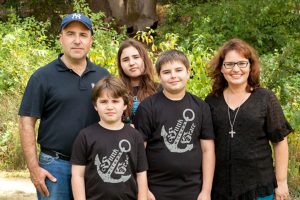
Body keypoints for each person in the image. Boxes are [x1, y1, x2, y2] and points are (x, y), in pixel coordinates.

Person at [18, 13, 110, 199]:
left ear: (91, 40)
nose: (77, 40)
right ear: (61, 38)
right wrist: (34, 168)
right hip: (54, 166)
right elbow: (25, 123)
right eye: (70, 34)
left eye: (83, 35)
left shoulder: (103, 76)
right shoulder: (42, 77)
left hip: (95, 164)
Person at [205, 38, 293, 200]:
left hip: (258, 186)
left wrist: (281, 182)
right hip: (220, 188)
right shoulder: (211, 101)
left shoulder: (265, 98)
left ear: (250, 66)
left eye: (242, 63)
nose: (236, 69)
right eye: (229, 64)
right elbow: (205, 145)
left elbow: (280, 142)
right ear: (221, 68)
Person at [134, 50, 215, 200]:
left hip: (193, 190)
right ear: (159, 76)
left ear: (188, 72)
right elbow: (138, 152)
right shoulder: (147, 107)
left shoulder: (201, 107)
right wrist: (143, 189)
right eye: (166, 72)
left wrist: (206, 191)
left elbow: (207, 151)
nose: (173, 76)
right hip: (156, 190)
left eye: (178, 70)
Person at [71, 76, 148, 200]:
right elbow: (77, 175)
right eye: (104, 102)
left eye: (115, 101)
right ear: (95, 105)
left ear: (124, 105)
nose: (110, 107)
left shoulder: (135, 136)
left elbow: (141, 175)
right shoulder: (85, 136)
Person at [117, 38, 158, 123]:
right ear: (120, 65)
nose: (131, 63)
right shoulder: (116, 91)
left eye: (136, 57)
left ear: (144, 60)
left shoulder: (159, 89)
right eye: (125, 60)